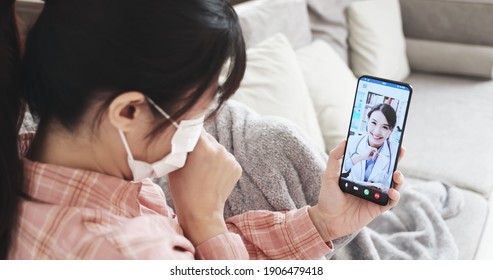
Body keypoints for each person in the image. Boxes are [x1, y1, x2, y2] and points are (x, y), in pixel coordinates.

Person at [0, 0, 405, 260]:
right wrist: (205, 220)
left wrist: (321, 223)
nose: (201, 128)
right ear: (128, 111)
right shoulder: (128, 253)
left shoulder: (27, 171)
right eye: (195, 113)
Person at [343, 103, 398, 191]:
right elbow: (341, 171)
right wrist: (359, 157)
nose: (377, 131)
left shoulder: (394, 152)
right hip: (349, 192)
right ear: (367, 121)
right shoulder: (352, 141)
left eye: (385, 127)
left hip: (373, 200)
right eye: (373, 123)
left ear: (391, 130)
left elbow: (388, 187)